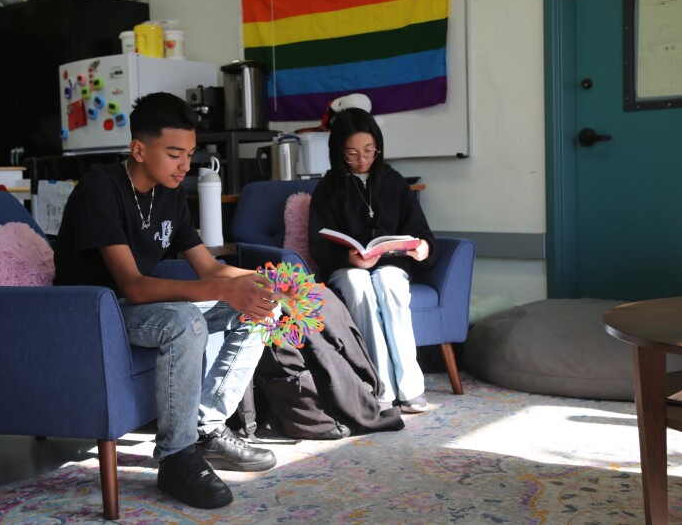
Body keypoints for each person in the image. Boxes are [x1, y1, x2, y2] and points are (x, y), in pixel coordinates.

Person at [53, 92, 279, 510]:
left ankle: (206, 428)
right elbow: (134, 287)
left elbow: (209, 270)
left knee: (262, 304)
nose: (185, 166)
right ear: (139, 149)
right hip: (93, 310)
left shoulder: (169, 193)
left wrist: (264, 282)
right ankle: (176, 457)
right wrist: (222, 289)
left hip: (139, 307)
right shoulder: (99, 188)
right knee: (184, 320)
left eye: (190, 155)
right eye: (175, 153)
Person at [308, 107, 439, 414]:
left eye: (369, 151)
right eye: (352, 154)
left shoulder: (393, 182)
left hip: (391, 264)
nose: (362, 160)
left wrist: (423, 247)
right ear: (338, 152)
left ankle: (411, 388)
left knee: (389, 282)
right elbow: (318, 245)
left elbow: (421, 231)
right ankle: (379, 386)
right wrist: (349, 258)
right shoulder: (328, 188)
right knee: (358, 285)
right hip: (347, 268)